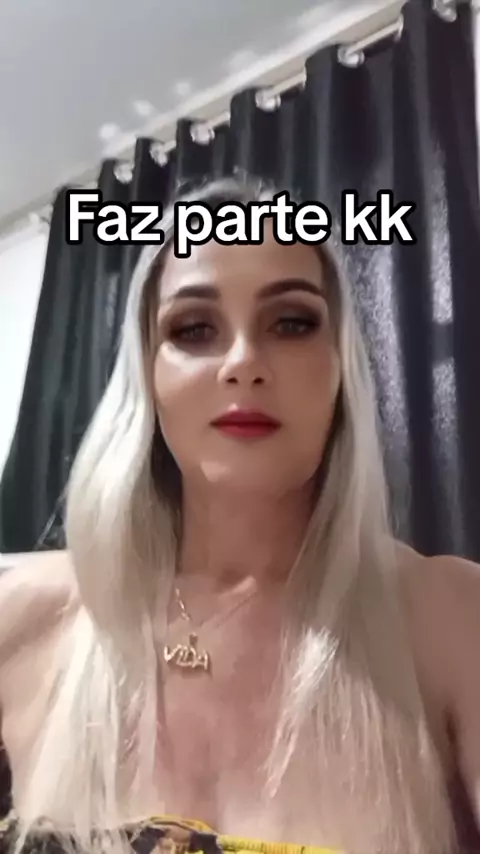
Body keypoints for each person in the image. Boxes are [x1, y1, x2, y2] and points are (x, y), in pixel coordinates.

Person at [0, 177, 480, 854]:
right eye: (194, 329)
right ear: (147, 376)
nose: (244, 362)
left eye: (292, 323)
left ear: (340, 366)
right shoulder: (24, 619)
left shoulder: (453, 621)